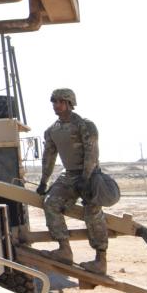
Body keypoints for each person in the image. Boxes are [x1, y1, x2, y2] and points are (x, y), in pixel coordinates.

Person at [36, 88, 108, 275]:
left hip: (90, 174)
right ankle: (64, 250)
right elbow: (48, 158)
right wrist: (44, 181)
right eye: (53, 102)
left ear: (69, 103)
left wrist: (85, 179)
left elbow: (92, 153)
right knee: (50, 203)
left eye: (59, 101)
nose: (55, 105)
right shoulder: (52, 131)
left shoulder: (85, 125)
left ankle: (101, 260)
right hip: (69, 176)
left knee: (92, 211)